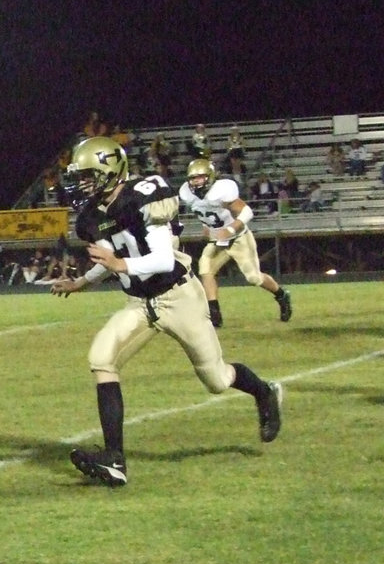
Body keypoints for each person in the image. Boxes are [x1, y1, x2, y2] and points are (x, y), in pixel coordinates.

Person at [50, 137, 282, 487]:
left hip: (178, 296)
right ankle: (114, 460)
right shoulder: (91, 217)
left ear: (110, 171)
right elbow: (109, 259)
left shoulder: (146, 195)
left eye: (88, 176)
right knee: (101, 358)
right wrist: (81, 281)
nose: (81, 184)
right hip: (140, 303)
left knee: (217, 380)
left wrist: (118, 264)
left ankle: (264, 392)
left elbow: (159, 259)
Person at [179, 159, 292, 327]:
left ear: (209, 177)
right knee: (206, 270)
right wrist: (205, 226)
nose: (195, 182)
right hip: (218, 239)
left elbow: (247, 212)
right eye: (193, 178)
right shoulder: (187, 193)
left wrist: (231, 229)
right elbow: (205, 211)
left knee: (254, 277)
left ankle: (282, 295)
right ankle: (214, 314)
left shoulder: (221, 190)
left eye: (199, 177)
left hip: (238, 238)